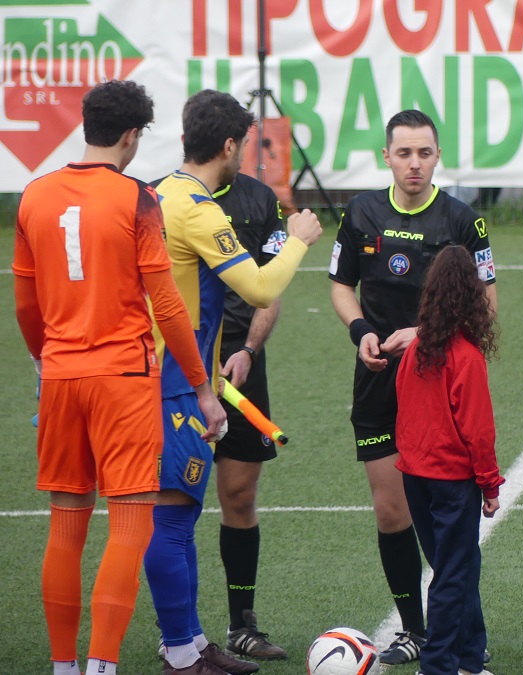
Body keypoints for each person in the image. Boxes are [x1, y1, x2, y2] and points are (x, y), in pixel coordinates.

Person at [13, 80, 226, 675]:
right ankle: (102, 665)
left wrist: (43, 361)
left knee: (65, 527)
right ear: (132, 135)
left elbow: (26, 305)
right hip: (124, 379)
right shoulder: (138, 199)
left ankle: (63, 666)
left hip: (61, 375)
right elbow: (169, 306)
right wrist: (202, 388)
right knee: (131, 524)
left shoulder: (33, 195)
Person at [143, 89, 322, 675]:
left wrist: (240, 353)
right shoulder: (198, 208)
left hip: (178, 373)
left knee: (180, 514)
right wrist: (299, 238)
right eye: (243, 142)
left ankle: (193, 642)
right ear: (228, 145)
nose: (246, 152)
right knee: (169, 519)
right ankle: (176, 651)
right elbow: (261, 287)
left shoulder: (158, 195)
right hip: (175, 381)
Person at [329, 109, 498, 666]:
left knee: (446, 528)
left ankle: (460, 638)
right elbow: (341, 286)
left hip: (436, 384)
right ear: (387, 156)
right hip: (378, 379)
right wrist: (361, 332)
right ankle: (414, 630)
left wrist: (425, 335)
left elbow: (485, 304)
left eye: (424, 153)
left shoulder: (464, 221)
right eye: (404, 153)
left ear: (437, 156)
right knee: (391, 513)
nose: (415, 163)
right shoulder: (361, 213)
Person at [395, 245, 504, 675]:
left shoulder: (415, 351)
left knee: (457, 567)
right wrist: (490, 485)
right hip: (452, 483)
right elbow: (478, 431)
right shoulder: (467, 357)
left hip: (415, 477)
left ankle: (469, 659)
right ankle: (438, 665)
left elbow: (404, 410)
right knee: (453, 575)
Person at [213, 172, 290, 660]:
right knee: (173, 502)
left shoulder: (260, 199)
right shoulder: (161, 195)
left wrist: (248, 349)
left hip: (241, 369)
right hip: (180, 371)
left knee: (239, 495)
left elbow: (272, 284)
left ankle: (241, 625)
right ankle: (175, 631)